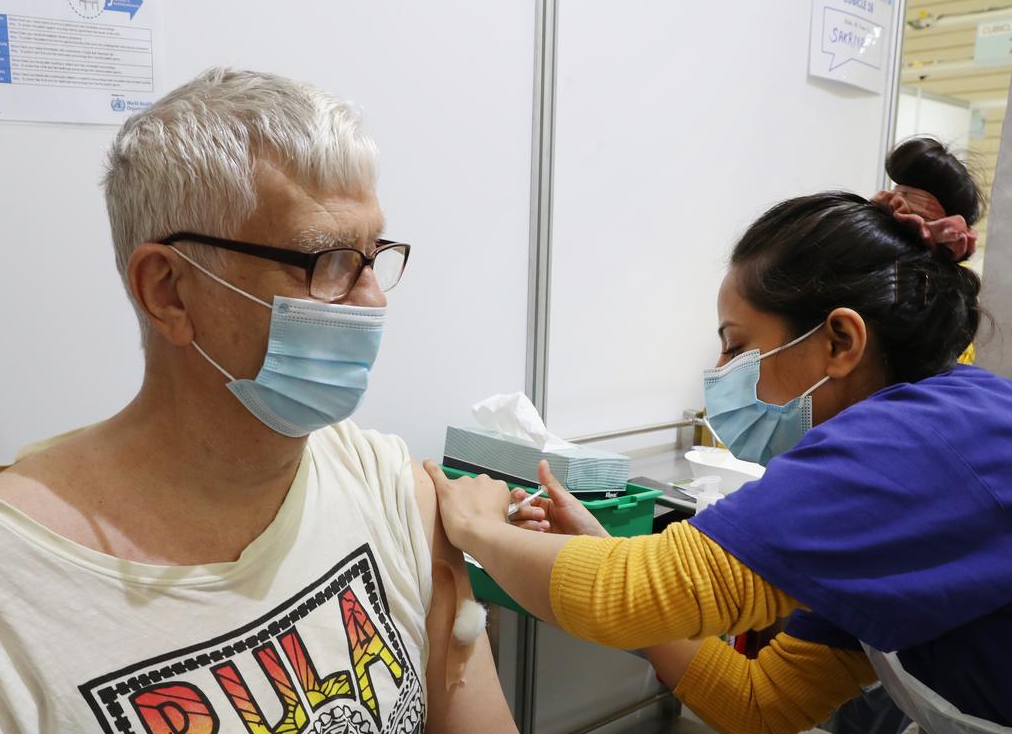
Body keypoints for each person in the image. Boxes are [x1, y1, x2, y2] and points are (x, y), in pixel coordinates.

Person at [0, 68, 514, 733]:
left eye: (372, 254)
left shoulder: (392, 493)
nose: (373, 300)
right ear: (169, 292)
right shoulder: (10, 599)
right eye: (327, 260)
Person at [427, 138, 1012, 733]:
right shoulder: (918, 448)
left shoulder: (909, 444)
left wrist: (475, 524)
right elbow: (763, 702)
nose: (722, 371)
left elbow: (620, 596)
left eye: (736, 345)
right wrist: (602, 544)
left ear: (840, 342)